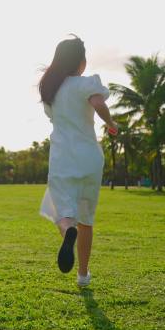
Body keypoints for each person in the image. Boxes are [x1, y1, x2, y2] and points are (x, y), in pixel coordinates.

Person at [38, 35, 118, 287]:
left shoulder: (52, 90)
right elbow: (98, 102)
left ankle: (66, 231)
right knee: (86, 219)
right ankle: (83, 275)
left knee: (63, 213)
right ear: (81, 62)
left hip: (63, 158)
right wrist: (111, 123)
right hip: (90, 159)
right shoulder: (86, 84)